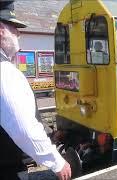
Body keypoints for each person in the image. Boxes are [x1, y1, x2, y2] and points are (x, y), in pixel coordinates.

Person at [0, 1, 72, 179]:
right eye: (14, 28)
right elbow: (24, 129)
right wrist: (57, 161)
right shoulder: (5, 71)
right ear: (1, 31)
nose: (19, 33)